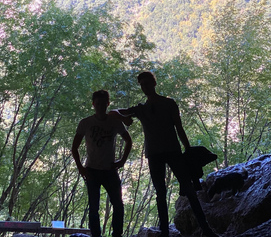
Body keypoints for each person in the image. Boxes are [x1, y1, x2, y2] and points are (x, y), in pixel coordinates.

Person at [109, 71, 218, 237]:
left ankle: (206, 230)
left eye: (147, 83)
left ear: (154, 83)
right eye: (142, 85)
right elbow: (112, 112)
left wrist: (187, 149)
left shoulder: (168, 104)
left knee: (188, 190)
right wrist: (124, 118)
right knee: (161, 193)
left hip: (173, 151)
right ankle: (166, 233)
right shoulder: (141, 109)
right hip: (154, 154)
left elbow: (179, 127)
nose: (145, 87)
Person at [71, 90, 133, 237]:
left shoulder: (114, 122)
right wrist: (80, 168)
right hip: (92, 170)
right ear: (93, 104)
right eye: (97, 103)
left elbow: (128, 141)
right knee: (93, 208)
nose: (100, 106)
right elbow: (74, 148)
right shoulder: (86, 123)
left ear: (107, 104)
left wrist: (122, 161)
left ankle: (117, 234)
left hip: (110, 169)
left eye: (103, 103)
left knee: (118, 205)